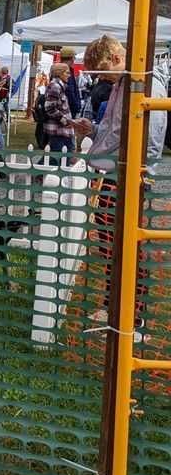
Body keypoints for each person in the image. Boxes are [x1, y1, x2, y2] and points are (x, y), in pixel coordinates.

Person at [71, 35, 167, 337]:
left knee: (127, 247)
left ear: (115, 58)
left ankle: (133, 318)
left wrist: (98, 156)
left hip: (128, 176)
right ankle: (114, 306)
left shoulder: (145, 84)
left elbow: (147, 136)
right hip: (115, 174)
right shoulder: (123, 83)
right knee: (112, 245)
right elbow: (115, 130)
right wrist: (93, 130)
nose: (101, 79)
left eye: (102, 71)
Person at [43, 63, 75, 162]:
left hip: (62, 129)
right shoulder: (55, 86)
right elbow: (49, 108)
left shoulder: (60, 86)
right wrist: (65, 121)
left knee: (59, 157)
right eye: (67, 73)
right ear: (59, 73)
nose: (69, 75)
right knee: (57, 158)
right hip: (58, 130)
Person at [59, 46, 81, 118]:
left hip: (65, 108)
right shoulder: (65, 71)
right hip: (67, 109)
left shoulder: (58, 70)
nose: (74, 60)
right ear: (71, 59)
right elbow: (70, 91)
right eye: (74, 58)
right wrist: (76, 106)